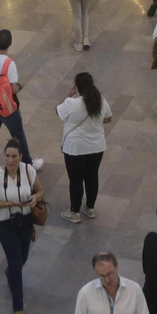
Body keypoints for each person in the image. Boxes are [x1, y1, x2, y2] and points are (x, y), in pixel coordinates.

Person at [0, 138, 42, 314]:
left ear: (21, 156)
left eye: (14, 156)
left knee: (22, 258)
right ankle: (18, 307)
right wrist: (10, 204)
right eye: (7, 156)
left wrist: (34, 198)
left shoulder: (28, 170)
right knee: (16, 264)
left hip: (25, 222)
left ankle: (10, 272)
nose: (10, 160)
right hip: (5, 224)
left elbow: (40, 190)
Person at [0, 30, 42, 186]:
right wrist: (20, 85)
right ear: (10, 44)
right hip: (6, 109)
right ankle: (29, 166)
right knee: (19, 135)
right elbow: (12, 89)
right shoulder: (9, 64)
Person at [57, 72, 111, 222]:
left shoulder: (71, 103)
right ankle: (90, 207)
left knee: (76, 179)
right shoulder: (100, 100)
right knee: (92, 176)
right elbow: (108, 118)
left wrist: (69, 94)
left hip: (75, 148)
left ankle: (74, 212)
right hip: (97, 147)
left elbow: (58, 112)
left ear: (77, 87)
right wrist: (95, 122)